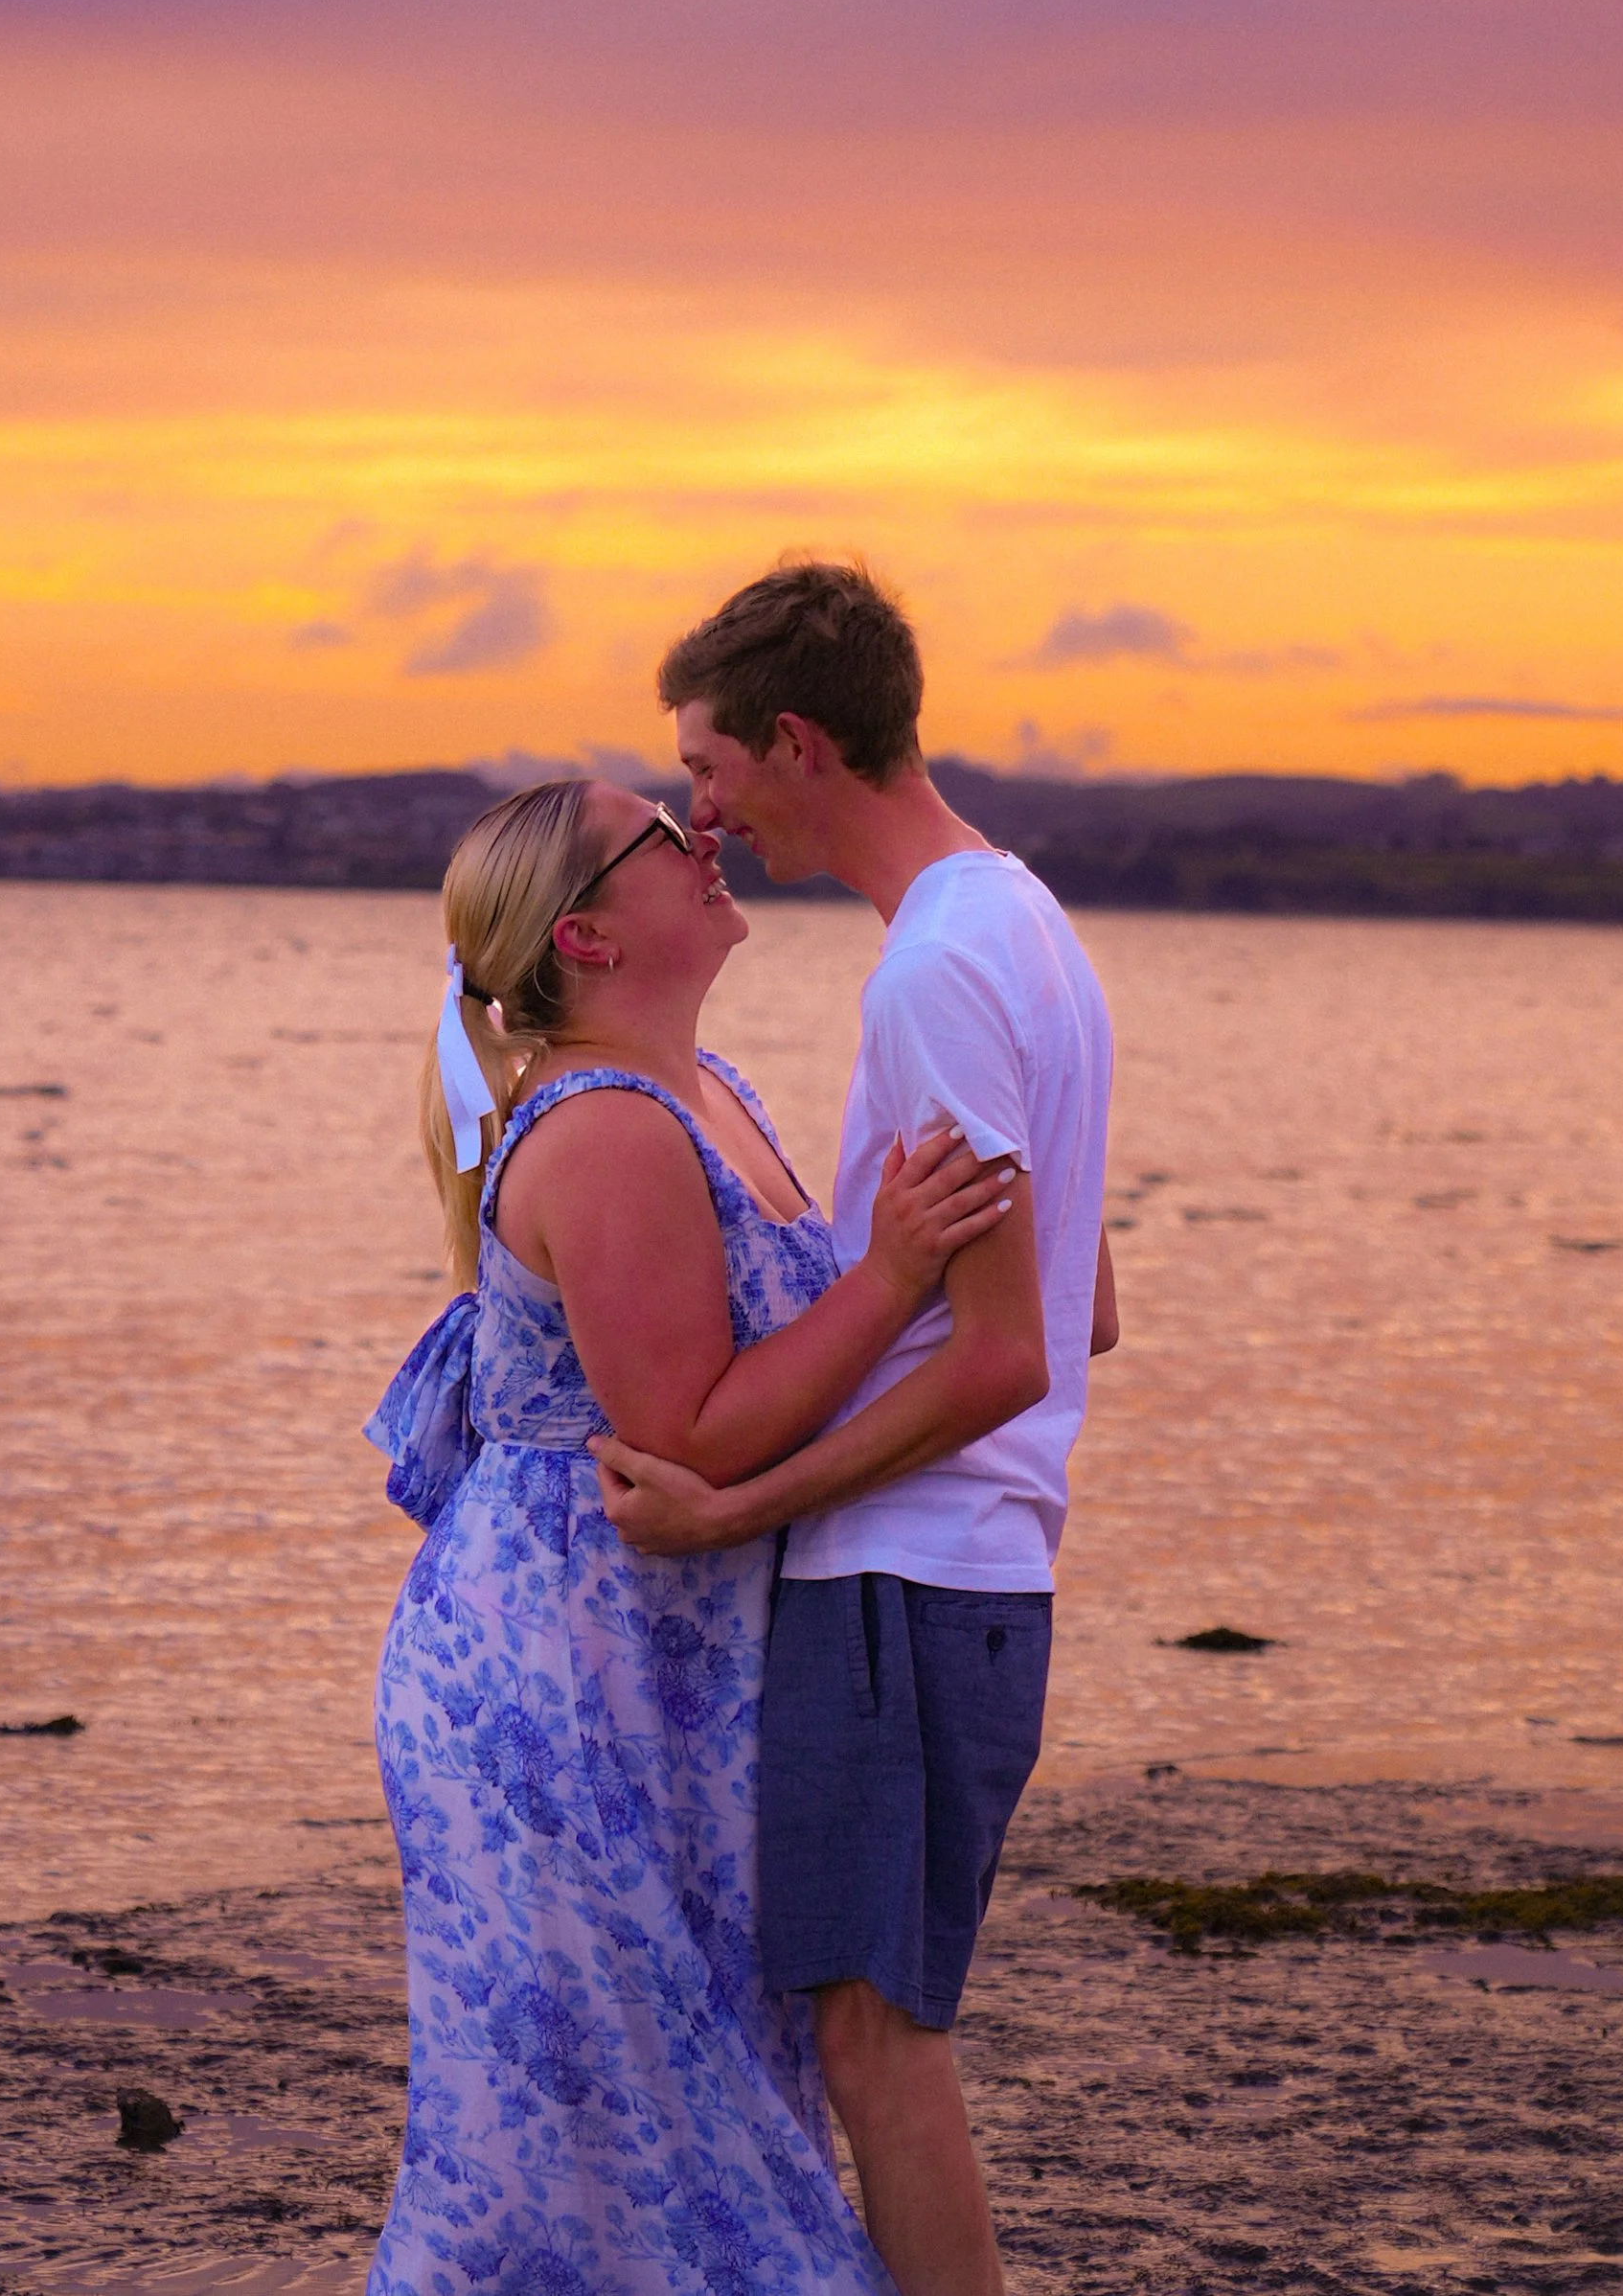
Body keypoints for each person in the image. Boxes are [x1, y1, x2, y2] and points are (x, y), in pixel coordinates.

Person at [364, 772, 1011, 2296]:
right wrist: (899, 1271)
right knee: (594, 2116)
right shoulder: (603, 1132)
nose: (701, 831)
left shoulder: (707, 1089)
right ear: (587, 935)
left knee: (691, 2079)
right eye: (664, 828)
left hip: (663, 1666)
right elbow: (690, 1433)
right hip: (558, 1682)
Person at [595, 563, 1117, 2296]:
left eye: (711, 766)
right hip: (958, 1585)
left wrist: (739, 1510)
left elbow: (1008, 1355)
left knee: (876, 2055)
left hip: (907, 1585)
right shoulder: (1017, 921)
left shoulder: (935, 973)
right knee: (874, 2038)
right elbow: (1083, 1288)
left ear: (797, 740)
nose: (703, 811)